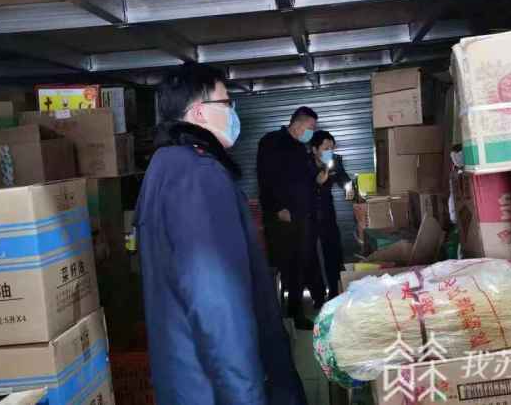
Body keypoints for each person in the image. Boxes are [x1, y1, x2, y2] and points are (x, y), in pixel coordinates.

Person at [135, 64, 307, 405]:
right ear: (199, 112)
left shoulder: (164, 166)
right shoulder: (199, 176)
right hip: (216, 390)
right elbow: (216, 301)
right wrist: (246, 396)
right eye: (226, 103)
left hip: (190, 382)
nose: (233, 112)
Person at [257, 107, 325, 330]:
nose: (312, 131)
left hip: (302, 217)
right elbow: (265, 177)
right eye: (311, 127)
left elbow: (306, 181)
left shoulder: (300, 148)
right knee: (285, 266)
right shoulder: (272, 142)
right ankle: (281, 316)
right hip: (282, 218)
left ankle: (296, 314)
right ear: (298, 123)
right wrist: (278, 208)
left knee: (300, 265)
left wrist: (318, 177)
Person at [310, 130, 352, 300]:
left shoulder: (335, 161)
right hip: (308, 213)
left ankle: (335, 291)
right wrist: (316, 183)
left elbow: (344, 180)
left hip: (327, 212)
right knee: (310, 255)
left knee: (333, 251)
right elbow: (298, 188)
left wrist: (350, 189)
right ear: (314, 149)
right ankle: (318, 296)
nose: (330, 151)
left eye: (332, 148)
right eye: (326, 148)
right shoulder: (304, 163)